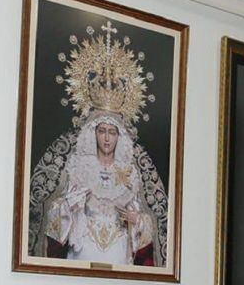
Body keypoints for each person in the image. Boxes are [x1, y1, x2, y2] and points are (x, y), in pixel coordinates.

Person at [39, 113, 160, 266]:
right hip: (83, 247)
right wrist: (70, 206)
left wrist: (137, 220)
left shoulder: (129, 173)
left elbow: (137, 214)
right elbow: (58, 208)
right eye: (102, 131)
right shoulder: (80, 169)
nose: (107, 138)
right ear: (94, 133)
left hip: (118, 249)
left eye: (112, 132)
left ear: (119, 136)